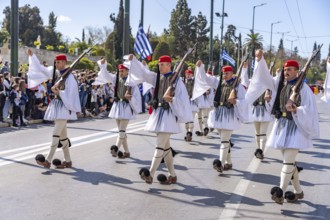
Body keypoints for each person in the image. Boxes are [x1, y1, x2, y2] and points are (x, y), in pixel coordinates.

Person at [127, 54, 193, 184]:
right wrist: (134, 61)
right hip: (158, 114)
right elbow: (143, 73)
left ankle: (150, 174)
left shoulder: (177, 81)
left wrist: (172, 99)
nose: (160, 67)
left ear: (169, 65)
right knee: (166, 148)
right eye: (159, 64)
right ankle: (172, 175)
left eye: (162, 64)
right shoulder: (158, 77)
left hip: (168, 115)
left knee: (159, 146)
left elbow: (184, 100)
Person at [268, 60, 319, 204]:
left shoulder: (303, 88)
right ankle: (298, 191)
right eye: (285, 69)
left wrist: (297, 109)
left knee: (288, 162)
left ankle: (280, 191)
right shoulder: (283, 86)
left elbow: (309, 109)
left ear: (297, 71)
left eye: (290, 69)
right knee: (289, 163)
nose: (286, 72)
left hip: (296, 127)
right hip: (282, 126)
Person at [27, 49, 81, 169]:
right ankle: (68, 161)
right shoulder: (54, 72)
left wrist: (59, 92)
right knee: (63, 136)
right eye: (56, 62)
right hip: (57, 105)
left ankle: (48, 160)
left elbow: (71, 93)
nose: (56, 64)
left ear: (64, 63)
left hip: (64, 106)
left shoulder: (70, 78)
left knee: (55, 134)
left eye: (59, 62)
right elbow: (41, 69)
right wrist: (33, 56)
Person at [195, 61, 248, 173]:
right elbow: (206, 78)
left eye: (227, 73)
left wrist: (236, 101)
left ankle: (220, 163)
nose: (225, 75)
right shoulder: (219, 82)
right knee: (225, 140)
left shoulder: (238, 85)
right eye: (223, 73)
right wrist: (201, 67)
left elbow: (244, 101)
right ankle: (229, 162)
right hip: (219, 112)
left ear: (232, 73)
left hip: (230, 113)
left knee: (224, 140)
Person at [105, 61, 142, 159]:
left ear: (127, 71)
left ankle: (116, 148)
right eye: (119, 71)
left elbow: (137, 96)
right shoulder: (117, 78)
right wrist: (103, 65)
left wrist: (130, 98)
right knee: (122, 132)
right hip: (118, 106)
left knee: (121, 131)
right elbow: (106, 75)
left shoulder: (132, 82)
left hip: (126, 107)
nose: (120, 73)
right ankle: (127, 152)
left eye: (122, 71)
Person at [245, 49, 275, 159]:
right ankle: (258, 149)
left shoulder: (270, 81)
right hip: (255, 109)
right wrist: (244, 68)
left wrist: (268, 96)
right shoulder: (254, 82)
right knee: (257, 133)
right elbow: (244, 81)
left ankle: (261, 151)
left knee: (263, 133)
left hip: (265, 110)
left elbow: (273, 92)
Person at [183, 69, 199, 141]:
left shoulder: (194, 82)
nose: (188, 75)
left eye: (189, 74)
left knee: (191, 118)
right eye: (187, 74)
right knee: (186, 119)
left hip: (192, 101)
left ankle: (190, 133)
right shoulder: (183, 82)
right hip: (185, 102)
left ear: (192, 75)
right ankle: (187, 133)